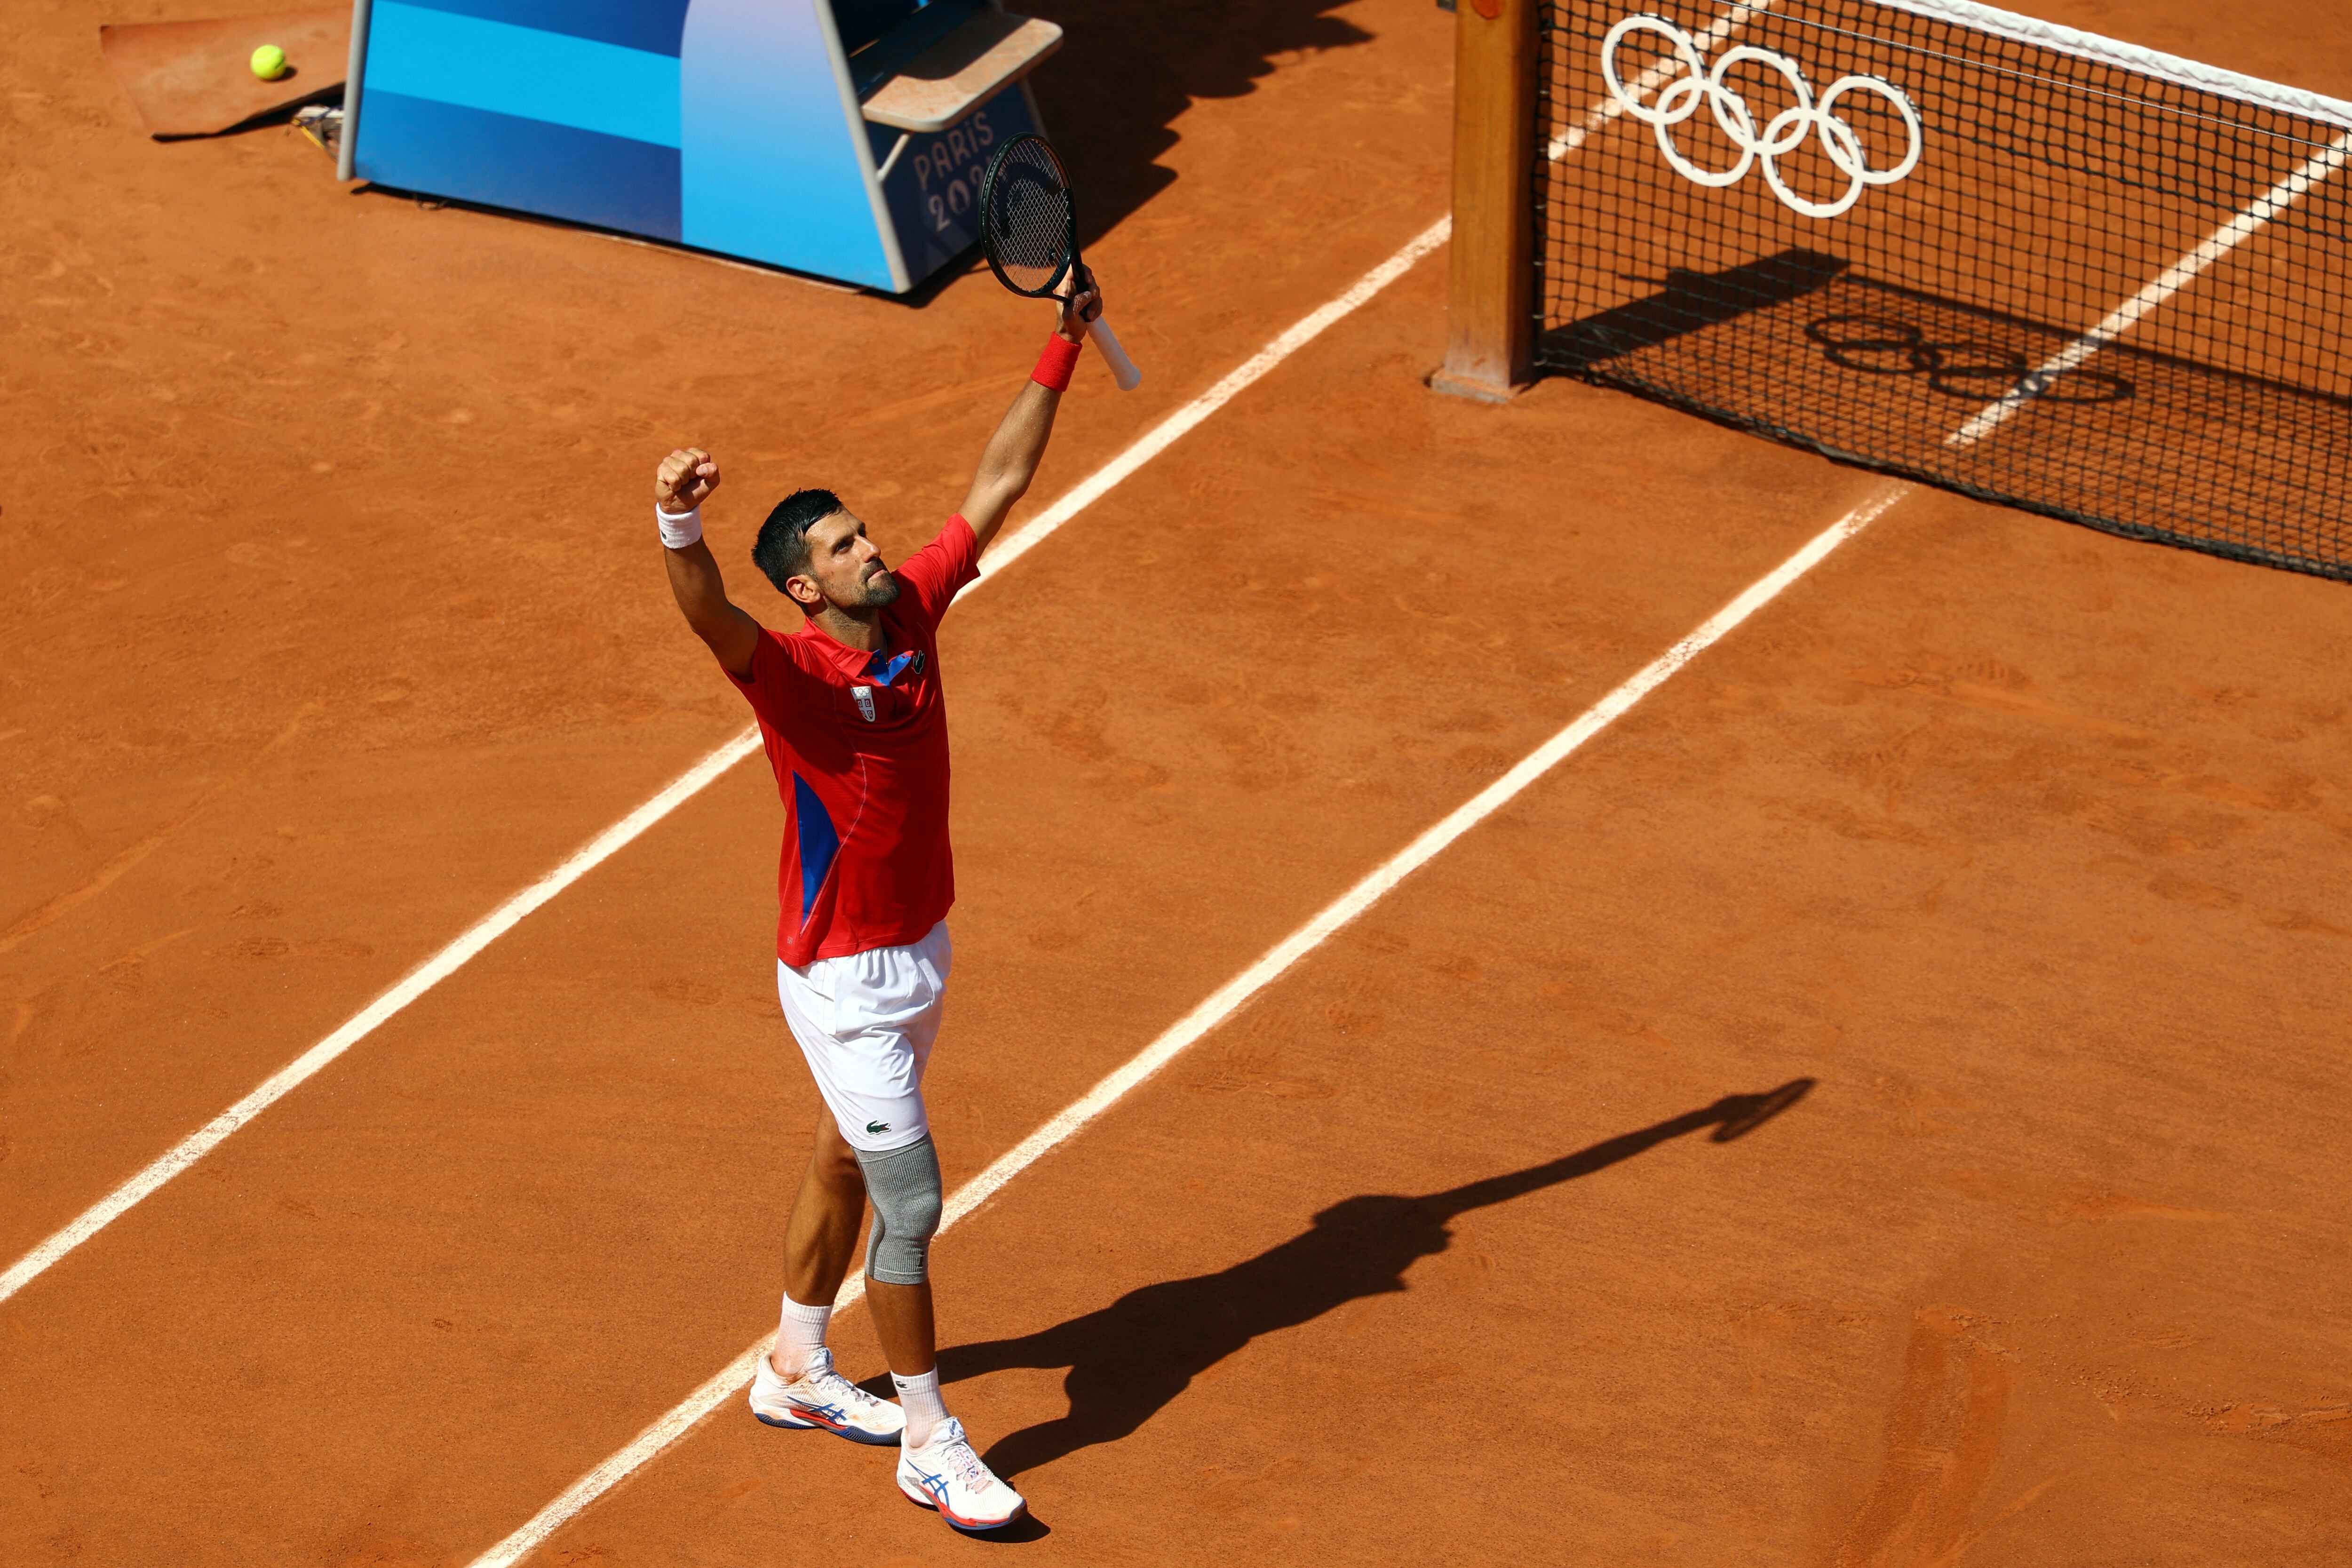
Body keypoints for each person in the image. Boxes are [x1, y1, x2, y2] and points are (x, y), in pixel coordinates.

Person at [647, 277, 1102, 1534]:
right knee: (913, 1203)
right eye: (841, 546)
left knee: (844, 1156)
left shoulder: (912, 606)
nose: (869, 548)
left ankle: (796, 1365)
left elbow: (998, 481)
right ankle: (933, 1437)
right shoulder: (793, 673)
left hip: (922, 948)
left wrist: (1061, 345)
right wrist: (676, 526)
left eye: (859, 532)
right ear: (804, 588)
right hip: (844, 977)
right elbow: (706, 621)